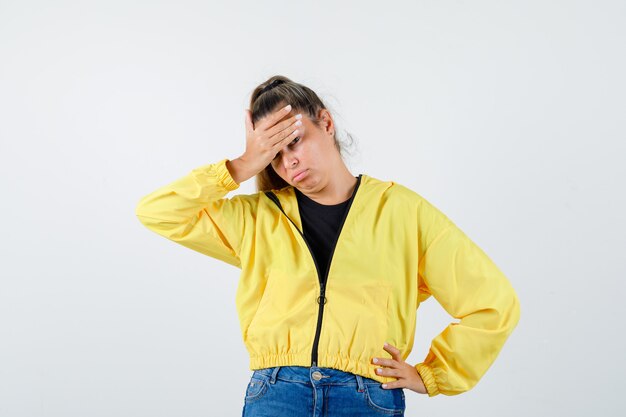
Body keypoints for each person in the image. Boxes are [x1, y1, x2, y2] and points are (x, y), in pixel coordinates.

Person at [135, 75, 521, 416]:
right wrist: (241, 165)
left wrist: (432, 374)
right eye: (274, 153)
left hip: (366, 397)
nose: (289, 162)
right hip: (276, 395)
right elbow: (157, 212)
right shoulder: (257, 218)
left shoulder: (403, 211)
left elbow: (493, 303)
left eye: (295, 140)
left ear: (327, 122)